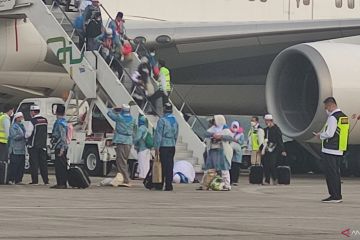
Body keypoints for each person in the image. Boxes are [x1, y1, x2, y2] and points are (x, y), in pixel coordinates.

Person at [314, 97, 349, 203]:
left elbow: (330, 133)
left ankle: (334, 196)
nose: (326, 109)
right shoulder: (344, 117)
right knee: (336, 174)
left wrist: (320, 136)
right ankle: (337, 195)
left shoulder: (333, 118)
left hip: (330, 149)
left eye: (326, 107)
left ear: (331, 105)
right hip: (339, 148)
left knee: (331, 174)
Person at [107, 104, 136, 187]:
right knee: (124, 160)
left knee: (120, 160)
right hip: (129, 141)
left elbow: (109, 113)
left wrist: (113, 108)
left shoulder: (120, 117)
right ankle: (121, 177)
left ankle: (126, 179)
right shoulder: (133, 119)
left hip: (121, 140)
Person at [204, 115, 233, 191]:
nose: (214, 122)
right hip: (212, 150)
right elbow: (206, 134)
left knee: (224, 169)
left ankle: (227, 185)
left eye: (215, 120)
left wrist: (221, 137)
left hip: (221, 151)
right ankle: (207, 184)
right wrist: (213, 135)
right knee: (210, 168)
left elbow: (230, 137)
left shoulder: (225, 130)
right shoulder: (212, 129)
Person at [154, 103, 179, 191]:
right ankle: (169, 184)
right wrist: (173, 143)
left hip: (163, 145)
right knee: (170, 165)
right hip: (172, 145)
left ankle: (160, 184)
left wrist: (156, 147)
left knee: (163, 165)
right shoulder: (175, 120)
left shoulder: (162, 120)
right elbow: (176, 134)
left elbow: (158, 134)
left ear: (164, 110)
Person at [26, 105, 49, 185]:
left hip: (33, 145)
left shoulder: (32, 121)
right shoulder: (45, 120)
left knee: (34, 164)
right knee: (43, 164)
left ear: (33, 112)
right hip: (42, 146)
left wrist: (25, 136)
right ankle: (46, 180)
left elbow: (28, 134)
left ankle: (35, 181)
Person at [262, 114, 286, 185]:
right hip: (267, 149)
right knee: (266, 165)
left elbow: (280, 140)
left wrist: (283, 150)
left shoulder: (276, 129)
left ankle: (275, 179)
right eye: (265, 121)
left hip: (274, 150)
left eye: (267, 121)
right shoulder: (266, 130)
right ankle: (267, 180)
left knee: (272, 164)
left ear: (271, 121)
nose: (266, 122)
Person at [50, 105, 69, 189]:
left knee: (59, 166)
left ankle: (61, 183)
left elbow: (63, 136)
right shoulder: (64, 122)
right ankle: (62, 182)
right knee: (62, 165)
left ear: (56, 112)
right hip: (62, 146)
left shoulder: (59, 123)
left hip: (60, 146)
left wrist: (62, 148)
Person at [8, 112, 26, 185]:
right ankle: (11, 179)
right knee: (14, 165)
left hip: (22, 149)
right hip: (15, 149)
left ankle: (18, 180)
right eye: (21, 117)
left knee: (21, 166)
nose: (22, 118)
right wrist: (23, 135)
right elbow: (14, 136)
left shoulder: (22, 126)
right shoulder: (13, 127)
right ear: (17, 118)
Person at [133, 115, 151, 180]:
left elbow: (137, 138)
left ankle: (142, 175)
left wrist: (133, 142)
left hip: (142, 148)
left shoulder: (140, 129)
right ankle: (146, 175)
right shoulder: (146, 128)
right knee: (147, 162)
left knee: (142, 162)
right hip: (147, 148)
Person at [230, 121, 245, 186]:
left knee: (236, 167)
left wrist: (236, 140)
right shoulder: (229, 133)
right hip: (231, 153)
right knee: (231, 167)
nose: (234, 128)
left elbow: (241, 142)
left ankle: (235, 180)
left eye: (236, 127)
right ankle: (230, 180)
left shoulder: (241, 134)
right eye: (233, 126)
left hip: (237, 153)